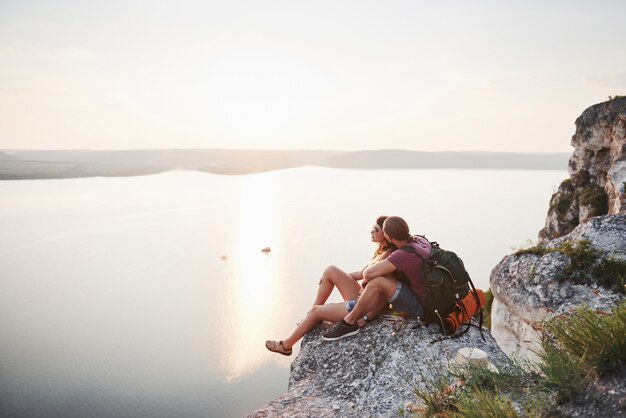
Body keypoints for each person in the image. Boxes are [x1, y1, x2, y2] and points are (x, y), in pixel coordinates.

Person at [265, 216, 396, 355]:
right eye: (372, 229)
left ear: (386, 234)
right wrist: (332, 278)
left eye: (375, 230)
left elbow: (384, 296)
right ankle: (310, 316)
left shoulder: (388, 259)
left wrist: (366, 318)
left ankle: (286, 345)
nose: (371, 232)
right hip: (361, 296)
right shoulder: (381, 251)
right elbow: (361, 274)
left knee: (317, 311)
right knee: (330, 270)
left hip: (361, 307)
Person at [321, 216, 431, 341]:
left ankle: (349, 322)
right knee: (381, 275)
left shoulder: (402, 254)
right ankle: (358, 318)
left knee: (378, 281)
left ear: (390, 238)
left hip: (421, 309)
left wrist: (367, 281)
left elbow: (367, 273)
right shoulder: (419, 240)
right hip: (428, 300)